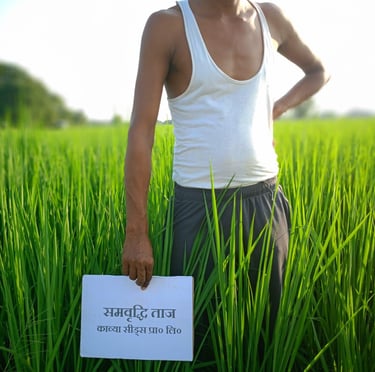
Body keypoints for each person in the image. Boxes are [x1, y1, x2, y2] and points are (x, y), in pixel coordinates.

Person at [122, 0, 329, 360]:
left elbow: (317, 71)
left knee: (268, 336)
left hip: (265, 202)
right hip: (198, 209)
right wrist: (136, 233)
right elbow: (141, 133)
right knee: (200, 343)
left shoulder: (269, 17)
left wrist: (274, 109)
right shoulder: (168, 26)